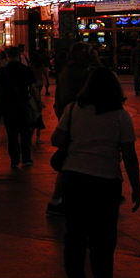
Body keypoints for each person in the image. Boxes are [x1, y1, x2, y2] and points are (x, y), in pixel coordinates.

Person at [52, 67, 140, 278]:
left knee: (75, 235)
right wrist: (136, 187)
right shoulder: (121, 116)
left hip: (74, 177)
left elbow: (56, 140)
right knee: (103, 238)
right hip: (106, 180)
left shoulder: (73, 109)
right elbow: (129, 155)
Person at [48, 42, 93, 216]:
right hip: (78, 122)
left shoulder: (66, 72)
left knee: (69, 160)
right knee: (72, 161)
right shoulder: (80, 74)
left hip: (68, 118)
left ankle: (58, 199)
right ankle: (65, 199)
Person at [0, 46, 35, 168]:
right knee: (25, 132)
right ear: (19, 55)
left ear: (7, 56)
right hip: (23, 103)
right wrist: (36, 102)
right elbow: (33, 88)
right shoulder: (26, 70)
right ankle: (26, 158)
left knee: (11, 134)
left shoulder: (3, 71)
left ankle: (14, 159)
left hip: (8, 105)